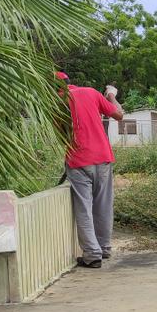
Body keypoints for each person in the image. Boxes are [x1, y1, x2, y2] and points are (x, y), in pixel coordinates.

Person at [57, 71, 125, 269]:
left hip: (78, 161)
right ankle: (104, 248)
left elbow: (62, 133)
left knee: (84, 208)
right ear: (69, 82)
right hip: (103, 157)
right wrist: (111, 94)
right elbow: (119, 114)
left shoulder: (55, 105)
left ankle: (93, 255)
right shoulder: (91, 92)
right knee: (103, 206)